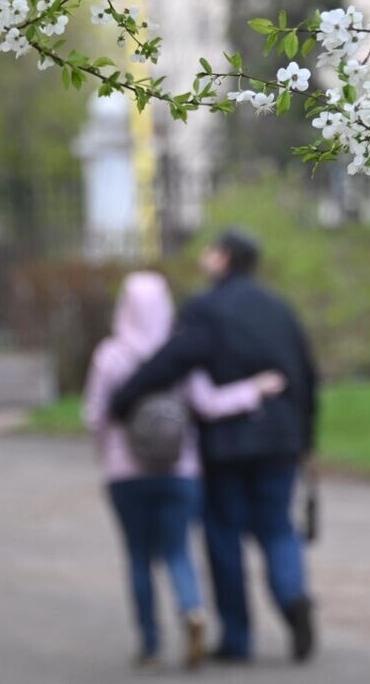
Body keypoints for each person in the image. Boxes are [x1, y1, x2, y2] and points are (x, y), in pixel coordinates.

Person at [109, 230, 320, 664]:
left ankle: (237, 639)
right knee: (278, 528)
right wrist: (306, 441)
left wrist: (122, 399)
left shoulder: (205, 310)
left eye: (210, 252)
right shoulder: (279, 308)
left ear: (223, 259)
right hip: (280, 439)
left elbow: (170, 361)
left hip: (226, 445)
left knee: (224, 538)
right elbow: (307, 375)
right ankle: (292, 596)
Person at [83, 272, 287, 670]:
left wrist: (107, 456)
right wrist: (254, 389)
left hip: (125, 474)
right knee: (178, 551)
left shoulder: (110, 355)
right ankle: (192, 610)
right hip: (181, 470)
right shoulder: (180, 352)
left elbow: (95, 416)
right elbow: (208, 404)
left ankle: (149, 645)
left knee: (139, 557)